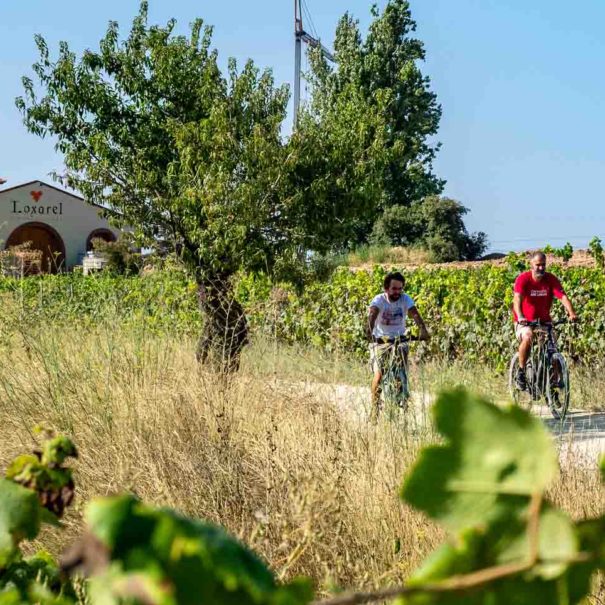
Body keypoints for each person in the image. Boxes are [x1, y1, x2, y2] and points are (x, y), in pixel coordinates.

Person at [367, 271, 429, 419]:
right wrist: (369, 332)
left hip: (400, 339)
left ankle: (403, 403)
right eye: (394, 289)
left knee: (401, 374)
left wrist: (423, 330)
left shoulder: (405, 299)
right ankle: (375, 408)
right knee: (380, 374)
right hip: (381, 341)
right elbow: (372, 315)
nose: (397, 292)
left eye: (400, 288)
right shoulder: (379, 300)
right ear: (386, 288)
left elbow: (415, 314)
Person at [513, 251, 578, 390]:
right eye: (538, 265)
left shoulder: (550, 279)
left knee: (552, 346)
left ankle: (553, 382)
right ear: (531, 265)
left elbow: (563, 297)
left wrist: (572, 313)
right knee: (528, 337)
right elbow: (517, 299)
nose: (541, 268)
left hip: (544, 322)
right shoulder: (523, 279)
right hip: (525, 322)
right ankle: (521, 371)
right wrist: (520, 316)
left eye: (543, 265)